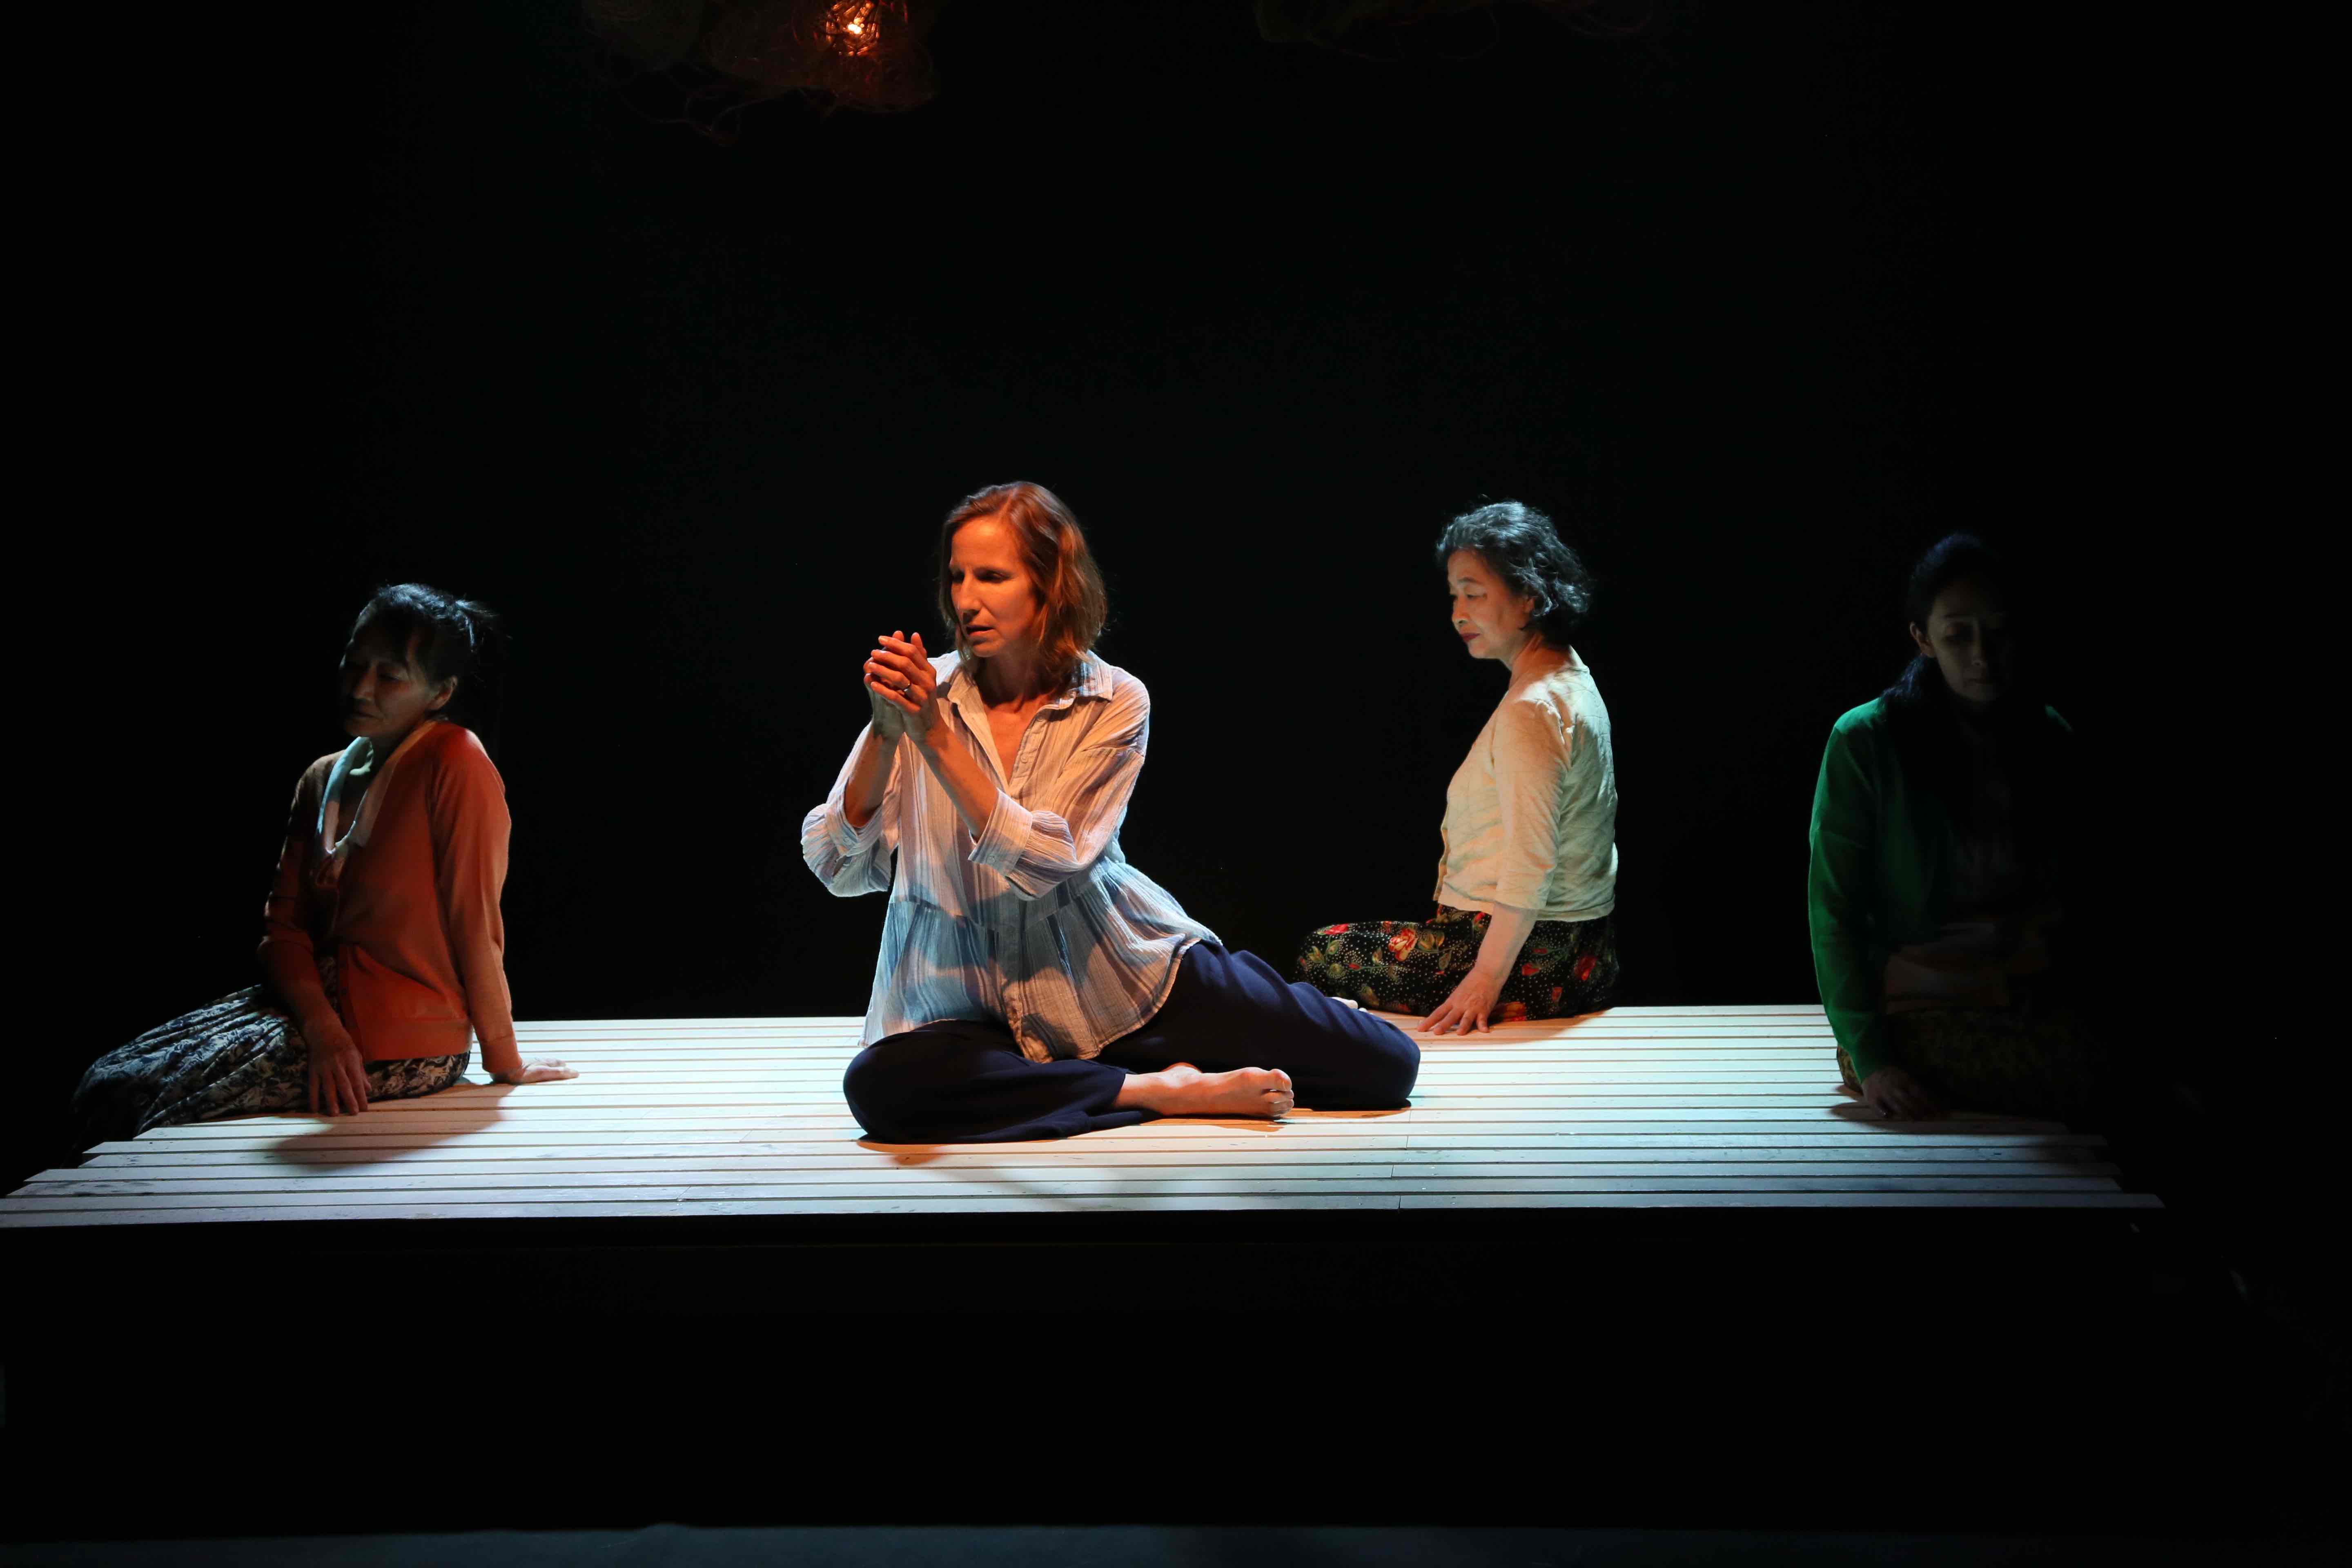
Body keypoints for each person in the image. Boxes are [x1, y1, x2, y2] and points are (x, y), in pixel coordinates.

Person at [804, 481, 1419, 1143]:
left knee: (1386, 1064)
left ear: (1050, 585)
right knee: (881, 1089)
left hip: (1114, 983)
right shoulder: (929, 693)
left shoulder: (1114, 701)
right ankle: (1154, 1090)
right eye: (957, 577)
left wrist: (935, 737)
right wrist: (886, 734)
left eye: (992, 577)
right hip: (970, 1008)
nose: (966, 599)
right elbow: (837, 865)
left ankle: (1085, 1077)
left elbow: (1045, 863)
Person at [72, 584, 575, 1143]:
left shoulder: (454, 761)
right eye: (354, 664)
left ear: (440, 693)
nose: (361, 688)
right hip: (314, 1014)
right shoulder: (321, 778)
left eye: (389, 676)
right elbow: (282, 931)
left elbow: (474, 924)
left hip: (406, 1040)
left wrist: (504, 1058)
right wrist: (323, 1030)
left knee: (134, 1102)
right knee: (105, 1080)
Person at [1296, 501, 1619, 1033]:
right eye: (1454, 596)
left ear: (1530, 595)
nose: (1458, 614)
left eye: (1474, 594)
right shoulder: (1572, 680)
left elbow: (1531, 863)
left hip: (1532, 961)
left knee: (1321, 953)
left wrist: (1485, 979)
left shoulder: (1533, 708)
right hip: (1583, 957)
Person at [1808, 533, 2091, 1121]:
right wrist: (1873, 1058)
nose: (1982, 654)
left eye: (1998, 632)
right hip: (1912, 1015)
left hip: (2024, 1001)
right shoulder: (1866, 741)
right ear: (1923, 638)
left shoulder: (2047, 736)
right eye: (1959, 635)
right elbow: (1833, 910)